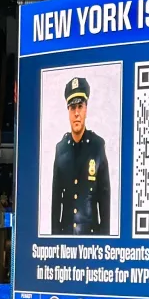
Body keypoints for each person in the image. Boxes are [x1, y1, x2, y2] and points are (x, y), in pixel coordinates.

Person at [50, 77, 111, 235]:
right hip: (66, 237)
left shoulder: (97, 146)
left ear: (86, 109)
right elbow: (56, 202)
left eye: (80, 106)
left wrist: (105, 243)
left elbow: (104, 201)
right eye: (72, 108)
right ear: (68, 111)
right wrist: (54, 241)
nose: (76, 113)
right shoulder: (60, 149)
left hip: (91, 238)